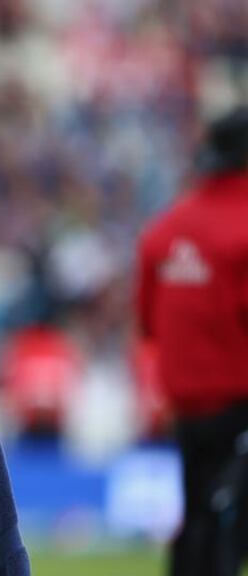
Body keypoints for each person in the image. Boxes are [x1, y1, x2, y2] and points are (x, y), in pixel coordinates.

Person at [136, 106, 248, 576]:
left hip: (188, 410)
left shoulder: (163, 231)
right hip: (239, 402)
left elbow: (147, 323)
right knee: (227, 524)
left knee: (200, 518)